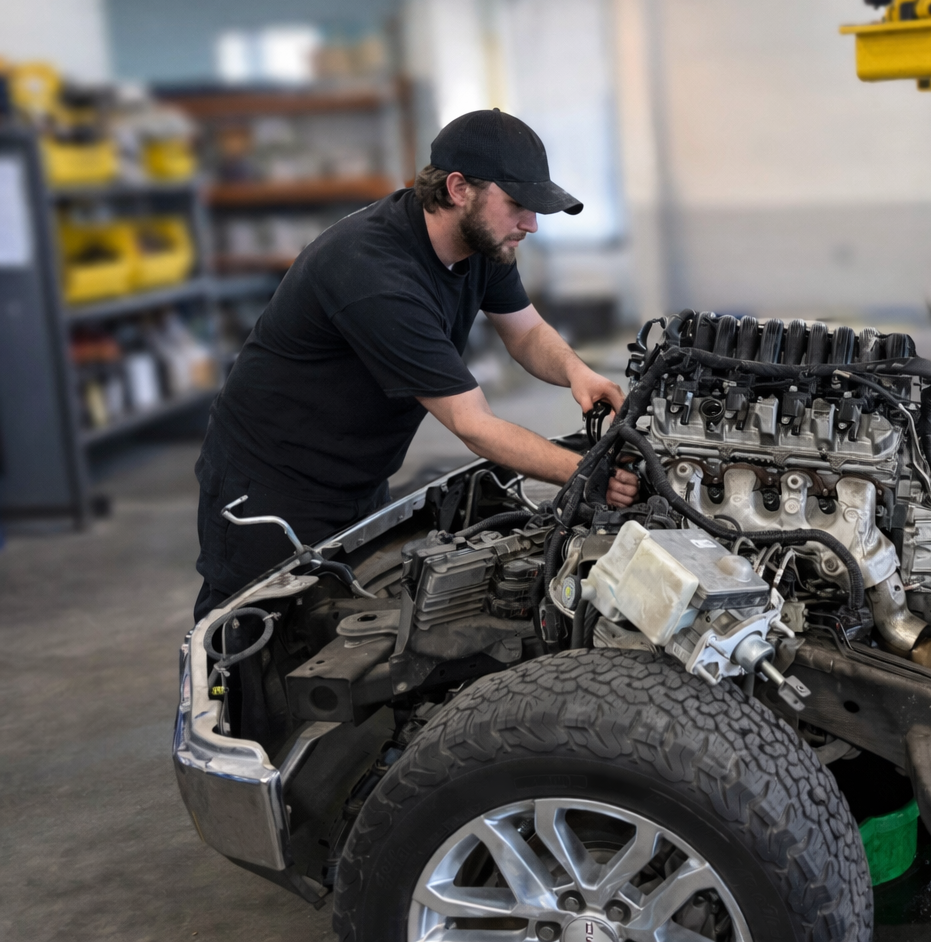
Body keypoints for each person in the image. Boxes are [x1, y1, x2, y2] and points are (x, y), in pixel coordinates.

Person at [192, 109, 637, 620]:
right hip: (272, 487)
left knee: (337, 624)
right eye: (517, 204)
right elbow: (474, 425)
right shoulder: (375, 273)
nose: (531, 224)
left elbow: (528, 332)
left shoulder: (482, 247)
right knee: (252, 641)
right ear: (458, 189)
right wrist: (586, 474)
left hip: (358, 476)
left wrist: (578, 373)